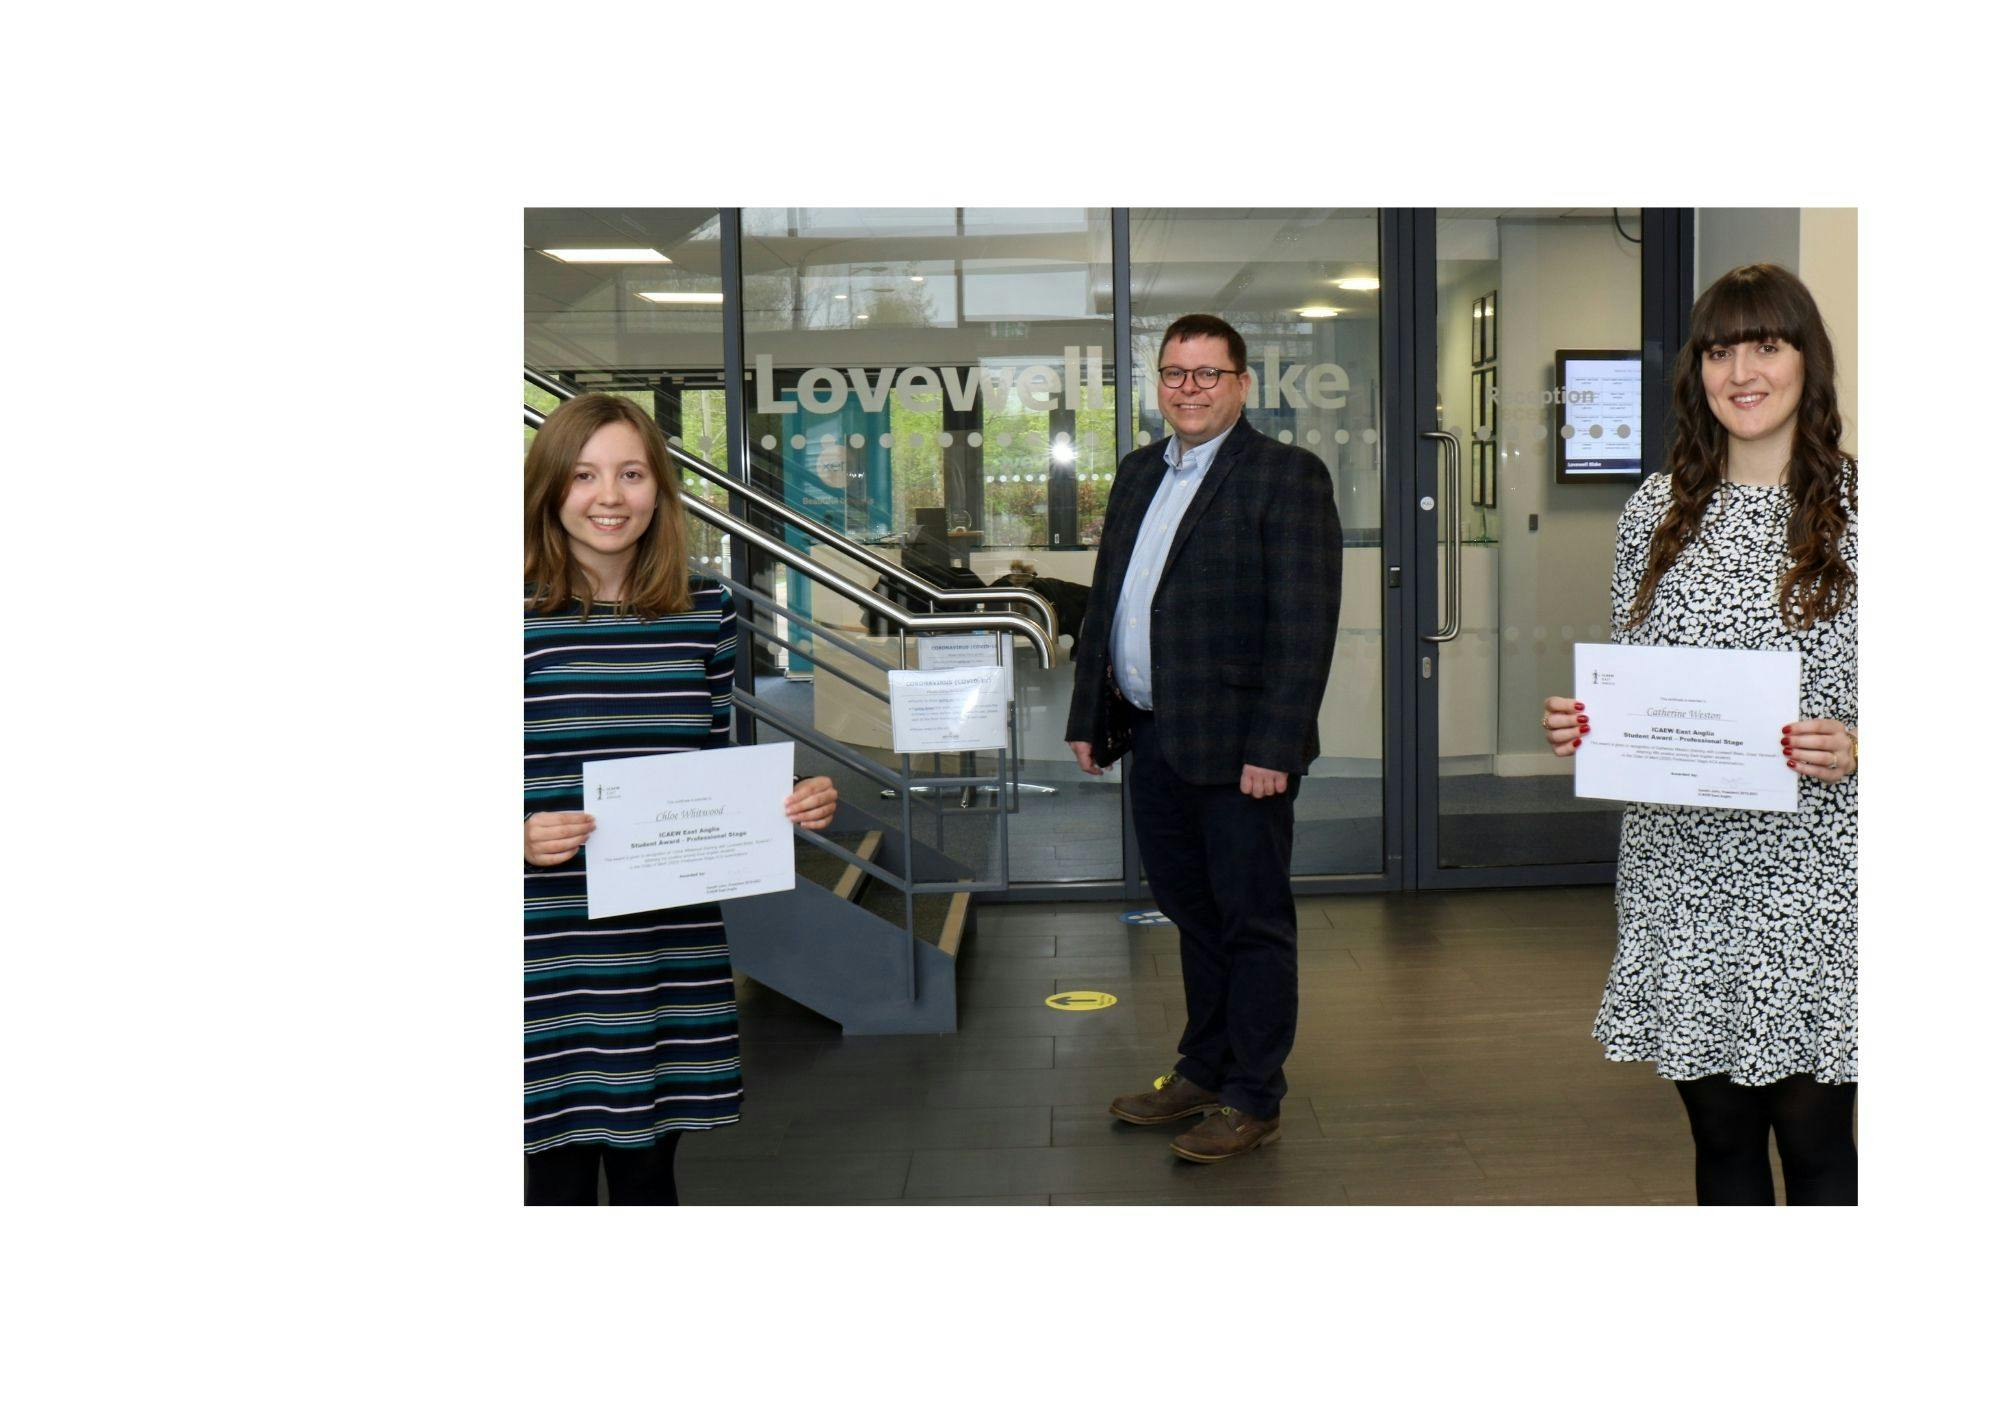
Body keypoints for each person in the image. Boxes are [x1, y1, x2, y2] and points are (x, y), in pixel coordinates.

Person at [1543, 263, 1857, 1205]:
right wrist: (1589, 724)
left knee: (1818, 1145)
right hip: (1683, 873)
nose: (1743, 371)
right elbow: (1640, 678)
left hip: (1819, 878)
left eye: (1767, 344)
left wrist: (1864, 746)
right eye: (1721, 350)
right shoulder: (1654, 510)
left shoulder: (1871, 513)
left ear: (1809, 361)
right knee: (1717, 1136)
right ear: (1698, 371)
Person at [523, 393, 839, 1206]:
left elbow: (708, 760)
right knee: (546, 1171)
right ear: (550, 487)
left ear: (659, 489)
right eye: (586, 475)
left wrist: (788, 800)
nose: (610, 496)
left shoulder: (706, 610)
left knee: (647, 1172)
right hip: (543, 942)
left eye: (631, 474)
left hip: (665, 935)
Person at [1066, 313, 1343, 1163]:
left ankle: (1254, 1094)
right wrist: (1090, 715)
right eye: (1174, 374)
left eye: (1207, 374)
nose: (1188, 388)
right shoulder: (1139, 471)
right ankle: (1205, 1065)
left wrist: (1276, 745)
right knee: (1192, 913)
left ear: (1242, 384)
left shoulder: (1285, 476)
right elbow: (1108, 599)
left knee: (1252, 921)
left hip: (1240, 750)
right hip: (1155, 739)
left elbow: (1304, 626)